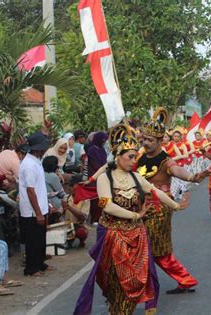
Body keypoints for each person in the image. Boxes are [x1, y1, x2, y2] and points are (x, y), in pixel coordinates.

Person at [74, 125, 185, 315]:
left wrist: (176, 205)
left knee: (140, 277)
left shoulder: (135, 177)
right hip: (113, 236)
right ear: (117, 156)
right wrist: (136, 215)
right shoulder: (105, 179)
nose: (134, 161)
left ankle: (136, 307)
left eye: (135, 156)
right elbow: (107, 206)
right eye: (130, 157)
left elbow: (156, 191)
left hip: (137, 235)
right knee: (115, 282)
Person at [135, 108, 208, 294]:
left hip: (159, 209)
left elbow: (177, 170)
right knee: (140, 247)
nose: (146, 143)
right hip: (140, 206)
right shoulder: (141, 157)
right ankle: (136, 285)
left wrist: (192, 177)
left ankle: (143, 286)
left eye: (150, 140)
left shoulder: (165, 160)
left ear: (160, 141)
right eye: (144, 139)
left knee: (157, 250)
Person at [19, 131, 52, 277]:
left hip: (40, 205)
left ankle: (40, 263)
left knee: (40, 238)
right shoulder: (29, 165)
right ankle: (31, 268)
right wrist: (38, 212)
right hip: (32, 209)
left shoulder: (35, 161)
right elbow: (31, 191)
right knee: (33, 239)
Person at [86, 131, 108, 223]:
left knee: (104, 197)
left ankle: (103, 215)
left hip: (104, 176)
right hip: (94, 177)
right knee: (95, 199)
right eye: (103, 140)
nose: (104, 142)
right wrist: (102, 171)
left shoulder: (102, 149)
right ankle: (95, 218)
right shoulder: (92, 150)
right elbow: (95, 165)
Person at [62, 176, 89, 248]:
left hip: (78, 225)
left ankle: (82, 240)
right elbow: (60, 213)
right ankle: (70, 240)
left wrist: (69, 207)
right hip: (67, 226)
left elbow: (82, 217)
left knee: (81, 233)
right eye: (69, 185)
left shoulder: (85, 199)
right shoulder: (66, 197)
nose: (70, 188)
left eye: (72, 185)